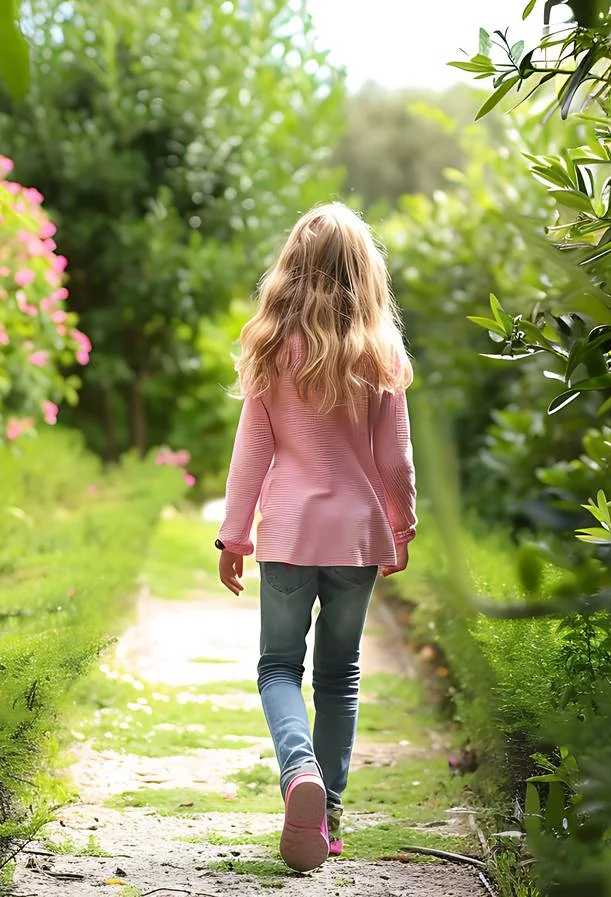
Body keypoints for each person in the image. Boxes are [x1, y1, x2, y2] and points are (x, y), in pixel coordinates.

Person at [213, 202, 416, 873]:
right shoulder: (379, 351)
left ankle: (297, 767)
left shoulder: (273, 346)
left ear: (292, 270)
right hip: (356, 539)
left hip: (291, 534)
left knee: (278, 665)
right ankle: (326, 812)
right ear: (364, 273)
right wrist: (401, 521)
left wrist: (234, 534)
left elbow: (253, 449)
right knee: (340, 676)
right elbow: (396, 459)